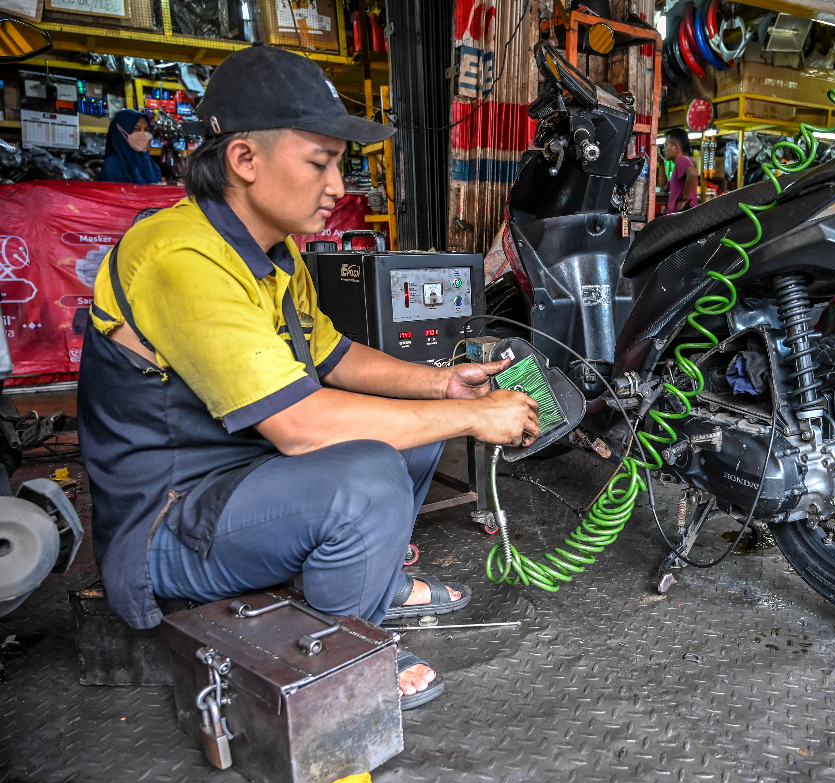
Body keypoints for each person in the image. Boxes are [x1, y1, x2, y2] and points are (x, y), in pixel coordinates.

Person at [77, 46, 540, 710]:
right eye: (319, 163)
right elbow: (299, 427)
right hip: (170, 525)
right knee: (366, 479)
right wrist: (474, 417)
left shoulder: (274, 251)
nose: (337, 187)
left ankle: (368, 586)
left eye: (338, 165)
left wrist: (444, 388)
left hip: (240, 481)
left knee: (416, 431)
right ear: (244, 160)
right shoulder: (181, 257)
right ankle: (341, 652)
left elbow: (331, 354)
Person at [98, 110, 162, 184]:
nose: (144, 134)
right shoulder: (113, 164)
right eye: (137, 129)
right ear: (120, 132)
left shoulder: (152, 165)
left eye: (147, 130)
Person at [662, 128, 699, 213]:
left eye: (666, 145)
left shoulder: (681, 160)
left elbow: (693, 174)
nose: (664, 149)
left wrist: (683, 200)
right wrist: (661, 163)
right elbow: (664, 187)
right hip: (678, 218)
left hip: (681, 219)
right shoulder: (678, 170)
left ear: (675, 147)